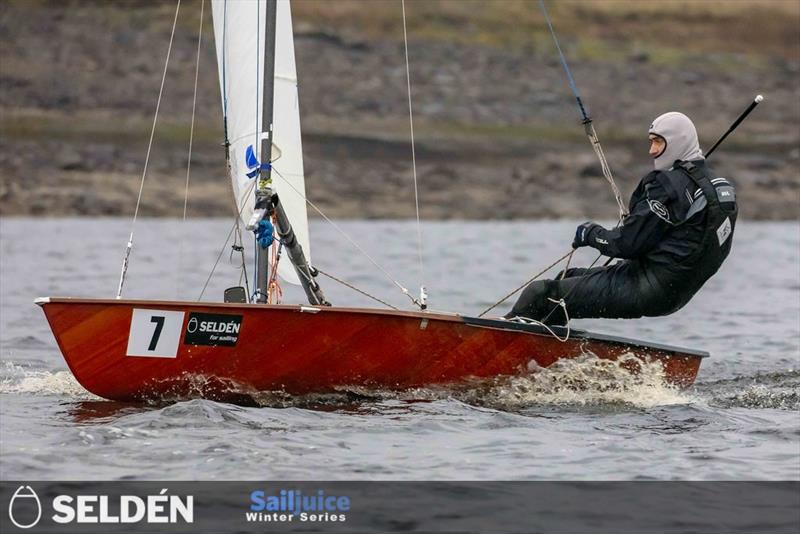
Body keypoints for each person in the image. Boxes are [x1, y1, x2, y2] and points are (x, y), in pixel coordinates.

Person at [506, 112, 738, 324]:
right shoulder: (722, 190)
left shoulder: (667, 186)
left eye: (658, 142)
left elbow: (627, 244)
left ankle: (491, 348)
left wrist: (591, 234)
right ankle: (548, 351)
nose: (652, 150)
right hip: (677, 292)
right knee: (567, 278)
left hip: (647, 287)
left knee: (541, 294)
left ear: (677, 142)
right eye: (652, 142)